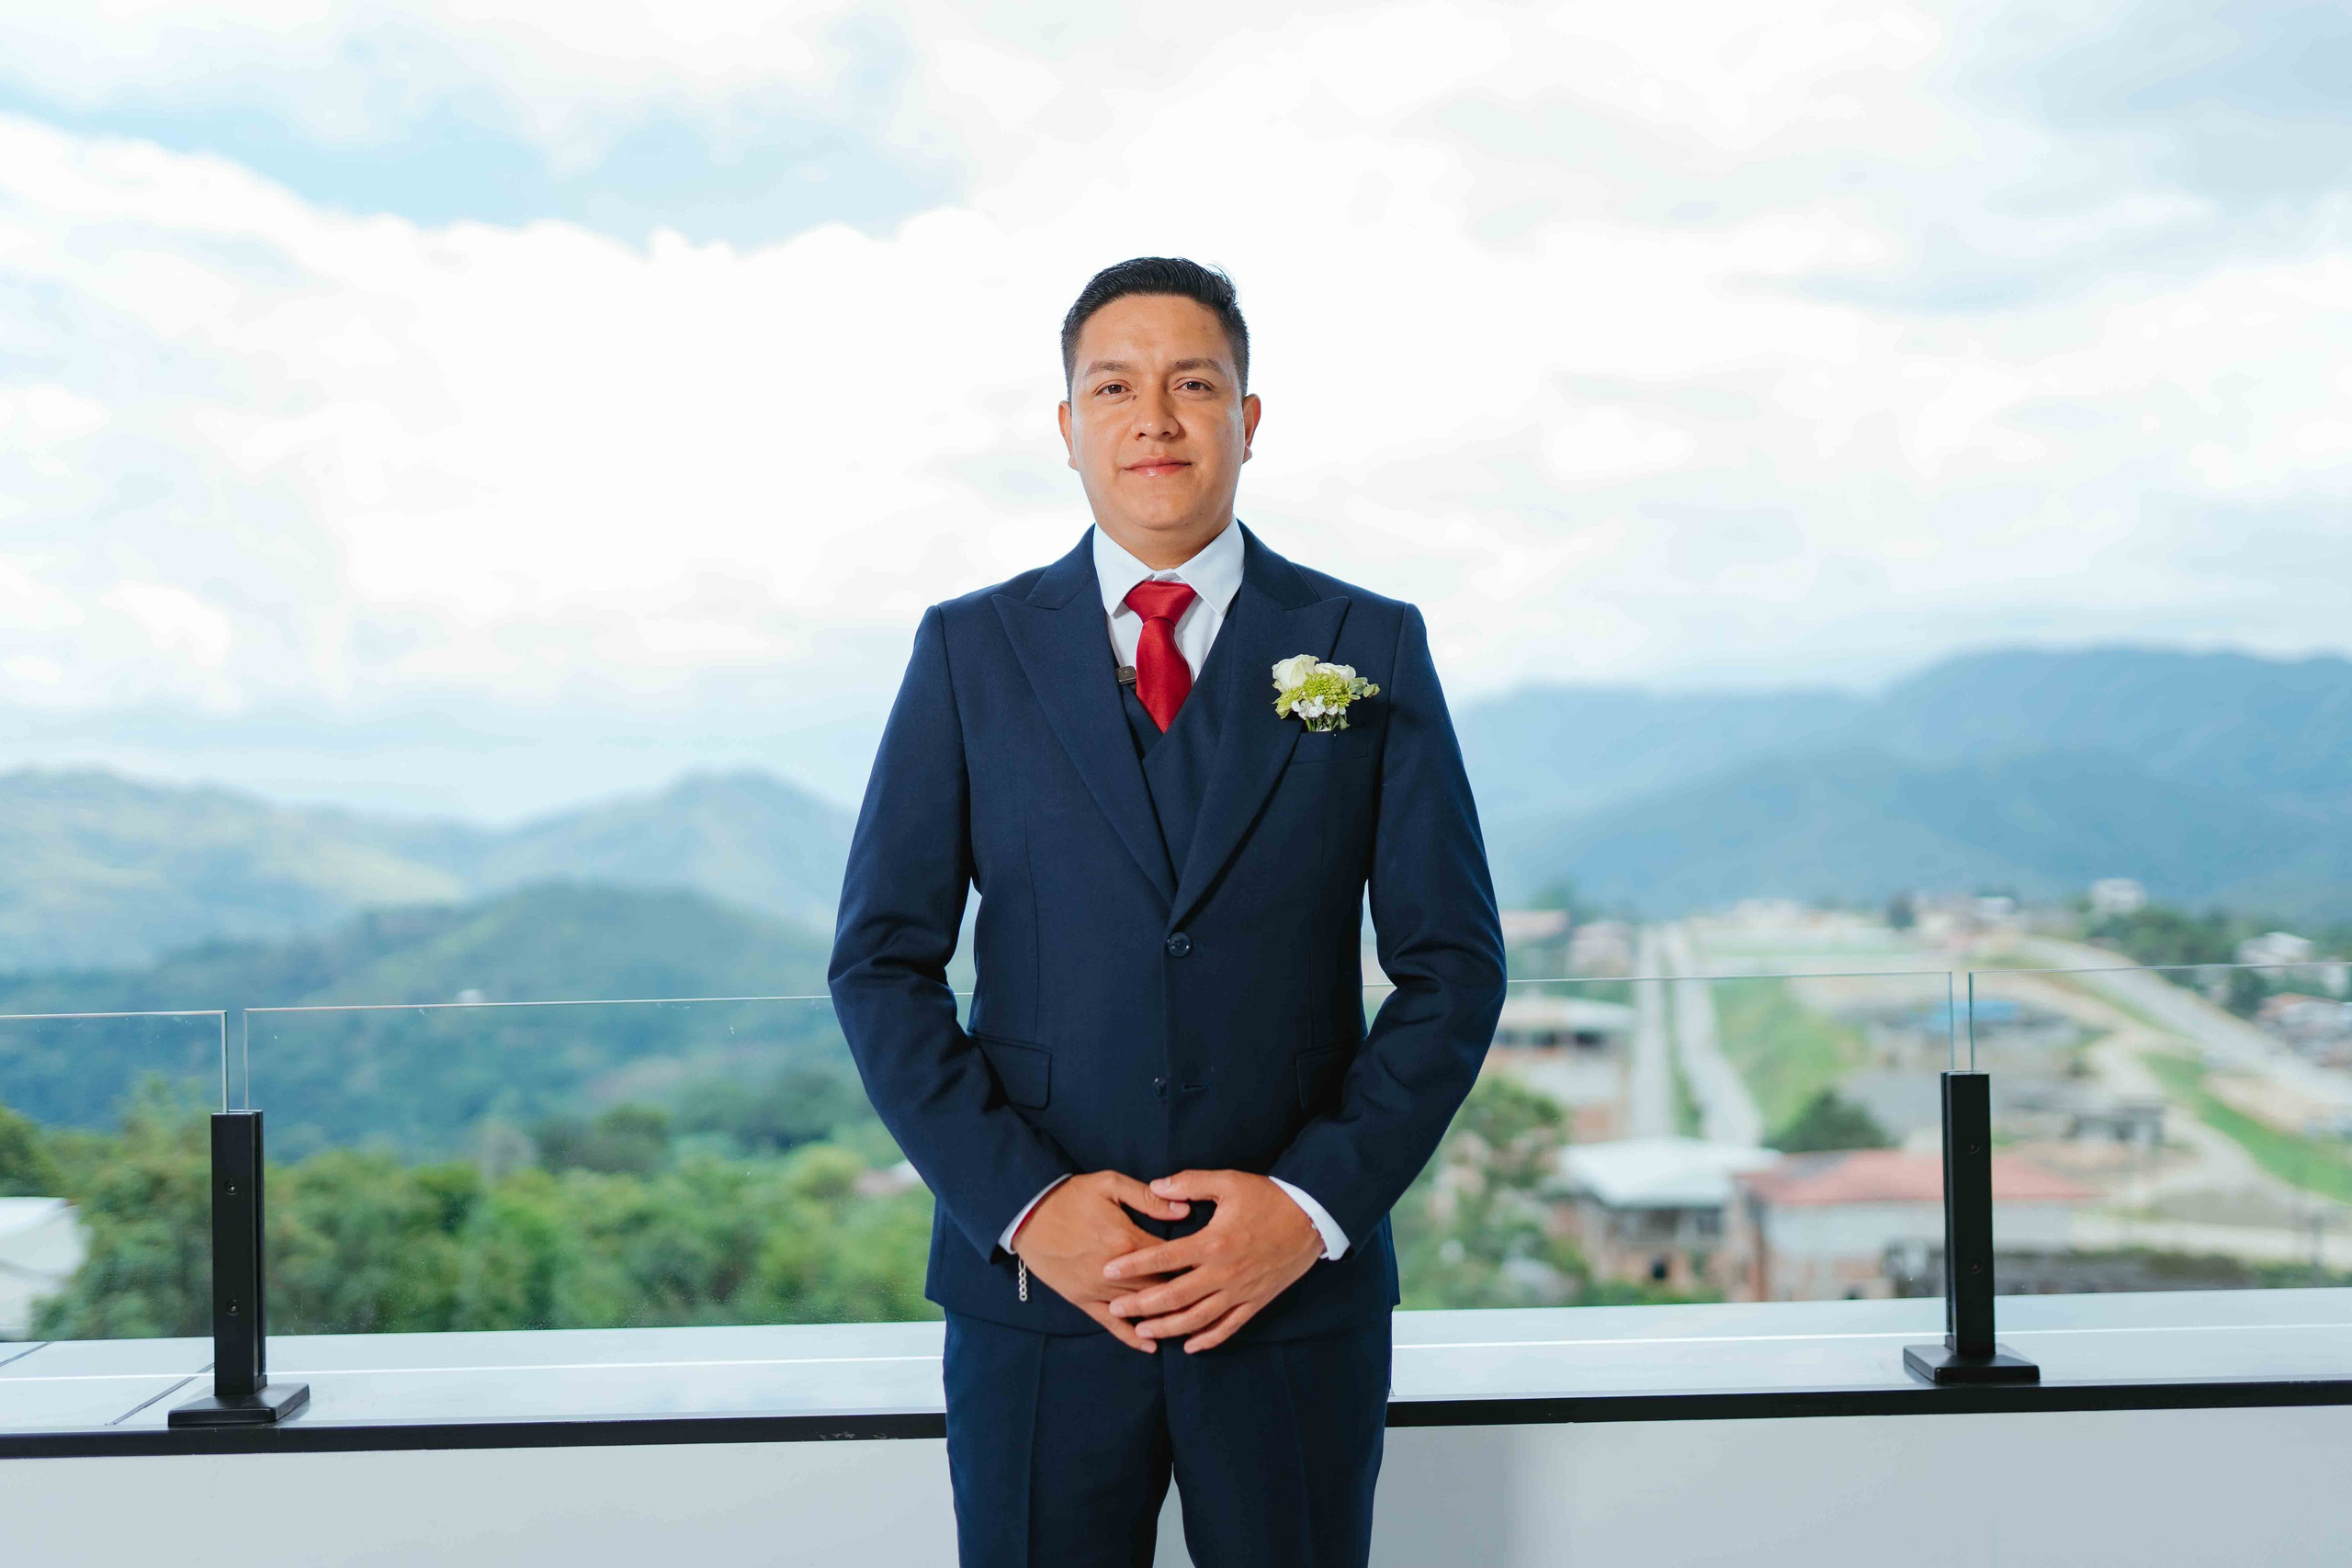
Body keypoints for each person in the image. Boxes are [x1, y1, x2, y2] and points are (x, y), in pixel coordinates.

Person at [829, 255, 1505, 1567]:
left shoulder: (1367, 645)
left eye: (1194, 384)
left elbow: (1452, 971)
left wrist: (1306, 1210)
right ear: (1068, 427)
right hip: (1040, 1302)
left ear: (1249, 420)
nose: (1156, 418)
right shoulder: (969, 652)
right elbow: (881, 965)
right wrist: (1028, 1209)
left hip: (1287, 1296)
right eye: (1115, 388)